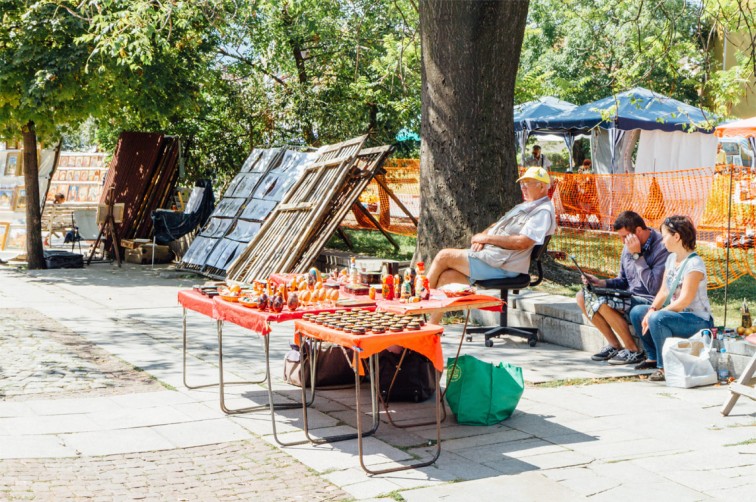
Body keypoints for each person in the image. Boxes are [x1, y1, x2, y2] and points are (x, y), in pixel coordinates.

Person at [426, 166, 556, 324]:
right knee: (447, 277)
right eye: (521, 184)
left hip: (504, 265)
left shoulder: (542, 212)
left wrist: (487, 239)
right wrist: (483, 236)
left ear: (541, 186)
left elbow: (522, 242)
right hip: (493, 258)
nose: (523, 188)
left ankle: (416, 303)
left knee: (444, 256)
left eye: (527, 184)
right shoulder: (526, 205)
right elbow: (497, 224)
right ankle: (431, 329)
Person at [577, 211, 669, 365]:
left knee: (602, 301)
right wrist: (601, 283)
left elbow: (654, 288)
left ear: (638, 231)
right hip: (629, 296)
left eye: (624, 236)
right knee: (582, 296)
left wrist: (637, 256)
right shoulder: (628, 246)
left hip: (650, 301)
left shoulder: (662, 248)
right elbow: (623, 280)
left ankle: (633, 350)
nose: (622, 242)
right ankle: (614, 345)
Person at [629, 216, 714, 382]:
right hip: (677, 316)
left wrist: (654, 315)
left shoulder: (694, 264)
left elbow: (684, 301)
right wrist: (651, 310)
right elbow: (663, 291)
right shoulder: (671, 259)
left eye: (664, 236)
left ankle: (664, 368)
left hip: (697, 320)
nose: (661, 241)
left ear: (677, 237)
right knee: (638, 312)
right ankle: (653, 357)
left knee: (657, 318)